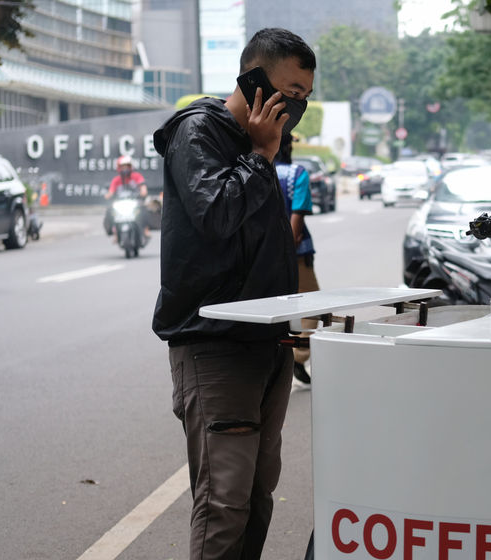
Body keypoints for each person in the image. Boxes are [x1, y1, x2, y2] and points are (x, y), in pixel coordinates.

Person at [151, 27, 314, 560]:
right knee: (224, 498)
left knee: (258, 492)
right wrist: (262, 155)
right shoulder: (197, 132)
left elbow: (269, 243)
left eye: (305, 97)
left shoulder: (263, 142)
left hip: (269, 343)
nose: (296, 106)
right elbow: (216, 214)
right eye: (290, 91)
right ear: (252, 78)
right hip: (215, 343)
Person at [275, 132, 319, 384]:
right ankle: (298, 354)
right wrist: (285, 250)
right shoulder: (296, 174)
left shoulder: (255, 168)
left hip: (258, 255)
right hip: (295, 255)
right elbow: (297, 218)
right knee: (315, 304)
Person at [103, 155, 149, 238]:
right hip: (121, 203)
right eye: (123, 167)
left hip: (135, 201)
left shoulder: (136, 176)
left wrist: (143, 191)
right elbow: (111, 191)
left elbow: (143, 187)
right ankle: (115, 232)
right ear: (119, 167)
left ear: (131, 167)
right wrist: (107, 195)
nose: (125, 169)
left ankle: (145, 229)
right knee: (110, 210)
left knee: (144, 209)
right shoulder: (116, 180)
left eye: (127, 166)